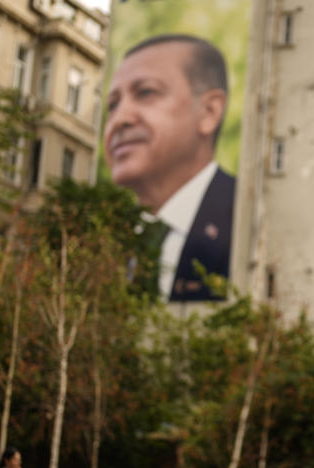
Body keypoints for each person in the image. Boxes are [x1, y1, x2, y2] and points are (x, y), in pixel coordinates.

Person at [104, 34, 235, 302]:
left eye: (146, 92)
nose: (120, 119)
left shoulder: (241, 216)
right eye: (112, 104)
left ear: (209, 111)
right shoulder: (103, 238)